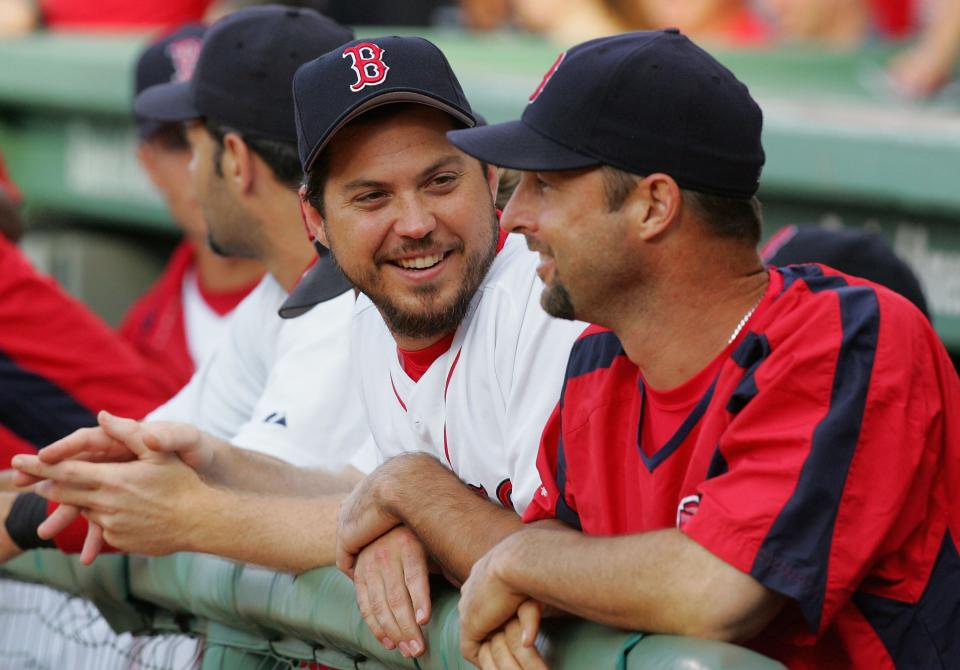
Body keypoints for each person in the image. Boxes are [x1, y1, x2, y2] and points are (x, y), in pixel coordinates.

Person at [14, 35, 586, 660]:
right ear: (315, 220)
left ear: (491, 175)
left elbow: (570, 567)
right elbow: (362, 489)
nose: (416, 222)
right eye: (372, 196)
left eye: (441, 181)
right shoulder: (380, 310)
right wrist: (217, 461)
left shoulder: (541, 308)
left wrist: (198, 516)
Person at [447, 29, 960, 669]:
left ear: (654, 205)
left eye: (544, 186)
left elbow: (719, 591)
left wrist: (521, 565)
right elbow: (557, 537)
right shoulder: (599, 361)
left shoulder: (846, 335)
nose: (512, 217)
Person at [5, 5, 367, 567]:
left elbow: (230, 508)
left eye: (195, 148)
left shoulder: (356, 303)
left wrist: (26, 515)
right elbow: (162, 451)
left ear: (236, 161)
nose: (189, 173)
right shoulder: (281, 294)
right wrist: (40, 494)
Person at [122, 22, 265, 388]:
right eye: (178, 142)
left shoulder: (344, 297)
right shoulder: (139, 334)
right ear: (149, 164)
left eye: (216, 134)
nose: (201, 165)